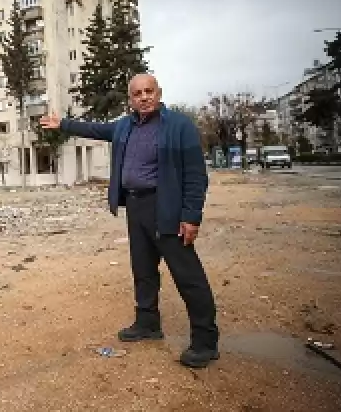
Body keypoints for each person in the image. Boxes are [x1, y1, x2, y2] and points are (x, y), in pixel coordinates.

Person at [39, 73, 219, 368]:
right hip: (136, 207)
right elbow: (95, 129)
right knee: (143, 270)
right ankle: (148, 324)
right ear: (131, 100)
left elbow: (196, 176)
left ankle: (205, 341)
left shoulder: (178, 126)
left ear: (159, 93)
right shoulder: (124, 126)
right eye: (138, 93)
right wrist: (64, 125)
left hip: (168, 208)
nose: (144, 97)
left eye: (149, 91)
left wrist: (191, 216)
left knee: (188, 276)